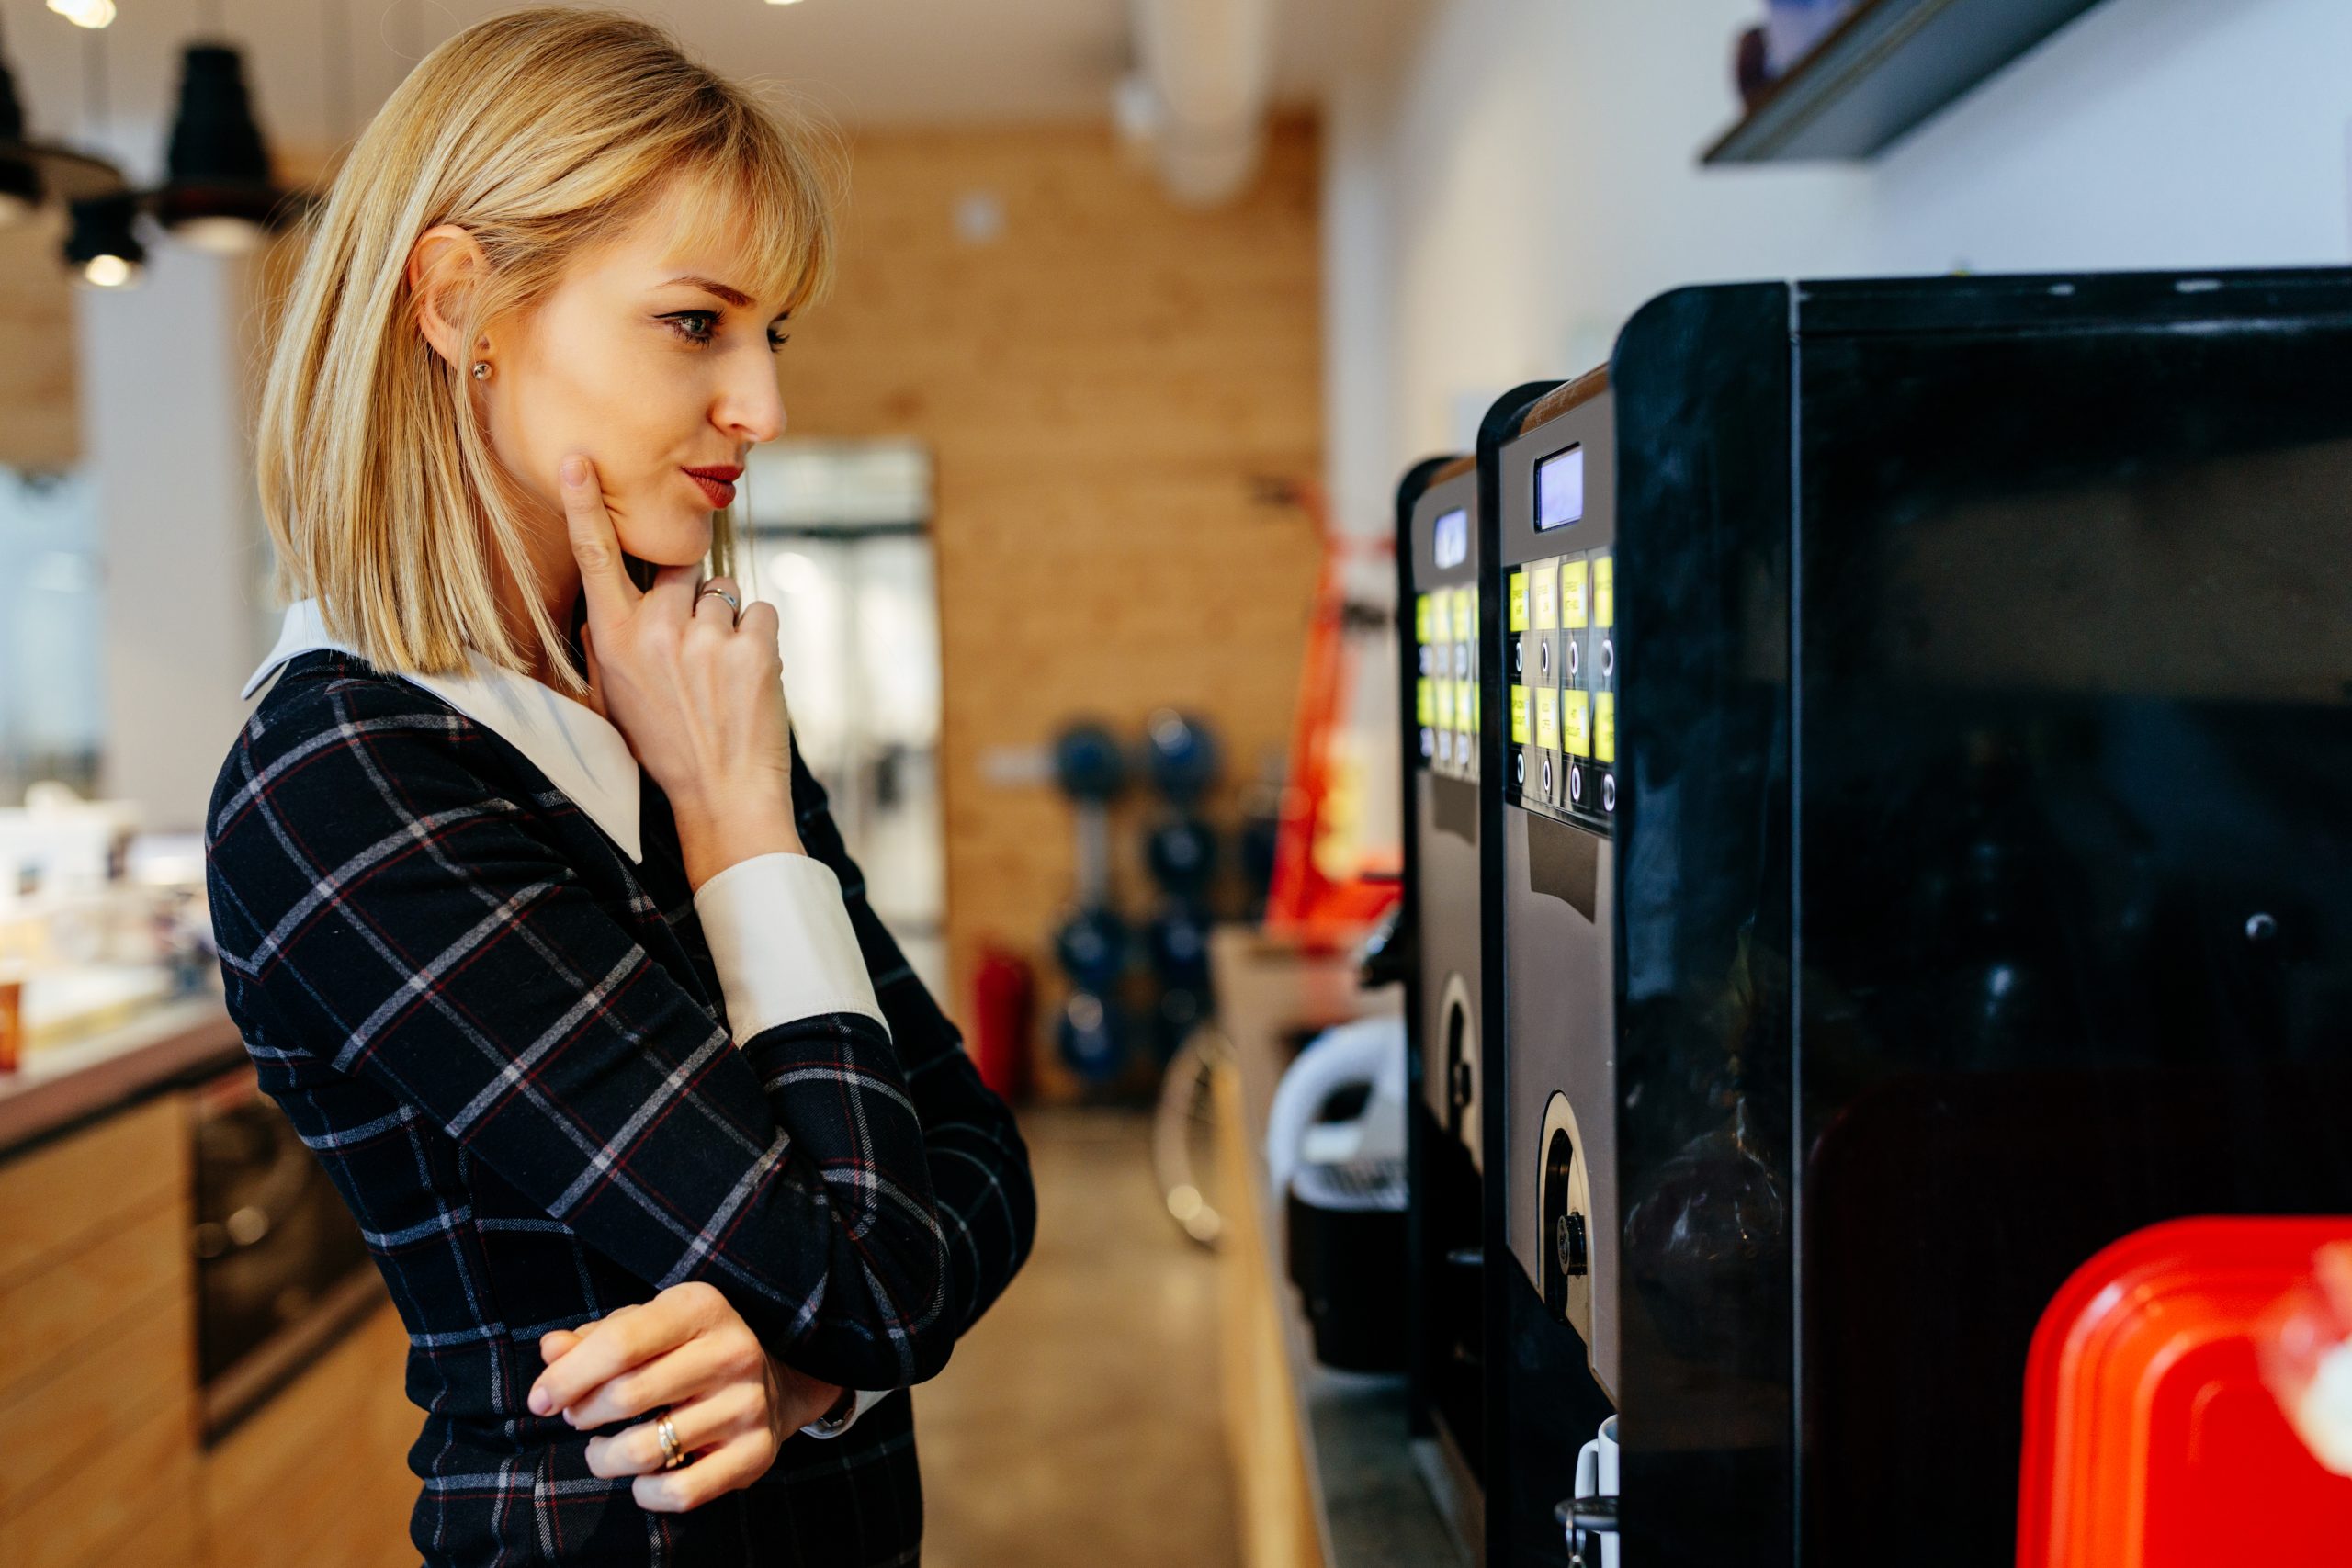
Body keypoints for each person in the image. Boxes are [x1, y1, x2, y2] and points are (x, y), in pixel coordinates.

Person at [200, 10, 1035, 1564]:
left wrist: (805, 1374)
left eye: (771, 336)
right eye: (695, 322)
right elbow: (880, 1276)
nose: (762, 408)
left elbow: (979, 1163)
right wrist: (737, 822)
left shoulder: (668, 692)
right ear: (460, 303)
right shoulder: (344, 781)